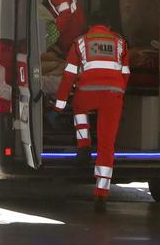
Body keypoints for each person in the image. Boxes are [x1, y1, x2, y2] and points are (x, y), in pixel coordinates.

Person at [54, 15, 130, 212]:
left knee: (78, 107)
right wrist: (119, 94)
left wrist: (59, 107)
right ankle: (101, 194)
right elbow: (126, 73)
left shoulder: (80, 43)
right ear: (109, 26)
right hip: (113, 95)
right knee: (106, 144)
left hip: (87, 92)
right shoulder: (120, 43)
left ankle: (84, 144)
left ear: (89, 26)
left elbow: (69, 76)